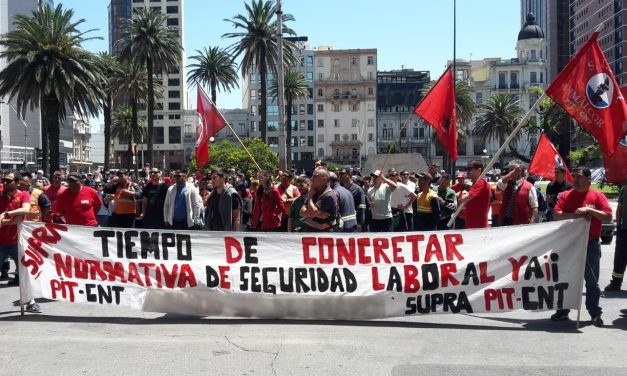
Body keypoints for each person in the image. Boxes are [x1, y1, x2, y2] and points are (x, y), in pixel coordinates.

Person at [549, 167, 612, 327]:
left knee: (592, 281)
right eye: (574, 176)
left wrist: (590, 210)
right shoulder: (565, 195)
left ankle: (595, 313)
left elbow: (608, 217)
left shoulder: (598, 196)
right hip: (569, 244)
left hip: (590, 244)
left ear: (589, 179)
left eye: (579, 177)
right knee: (565, 278)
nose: (575, 180)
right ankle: (563, 311)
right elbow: (556, 214)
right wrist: (574, 215)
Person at [496, 160, 538, 226]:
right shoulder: (506, 183)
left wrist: (531, 224)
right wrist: (513, 172)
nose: (512, 172)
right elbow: (499, 184)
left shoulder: (529, 187)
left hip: (521, 223)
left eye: (514, 170)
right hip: (505, 221)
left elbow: (534, 208)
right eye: (510, 170)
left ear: (521, 171)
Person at [301, 167, 337, 232]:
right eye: (312, 176)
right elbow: (302, 212)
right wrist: (319, 215)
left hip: (325, 234)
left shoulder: (329, 195)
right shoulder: (315, 191)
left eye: (315, 176)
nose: (311, 179)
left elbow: (314, 212)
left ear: (324, 179)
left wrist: (309, 197)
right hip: (311, 232)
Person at [605, 182, 627, 292]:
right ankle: (616, 283)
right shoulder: (625, 189)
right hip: (624, 229)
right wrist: (618, 224)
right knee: (619, 258)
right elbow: (620, 207)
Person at [459, 160, 492, 229]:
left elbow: (464, 199)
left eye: (470, 169)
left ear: (479, 170)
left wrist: (464, 192)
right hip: (472, 224)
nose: (467, 171)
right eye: (466, 169)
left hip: (478, 225)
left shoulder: (481, 183)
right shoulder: (476, 183)